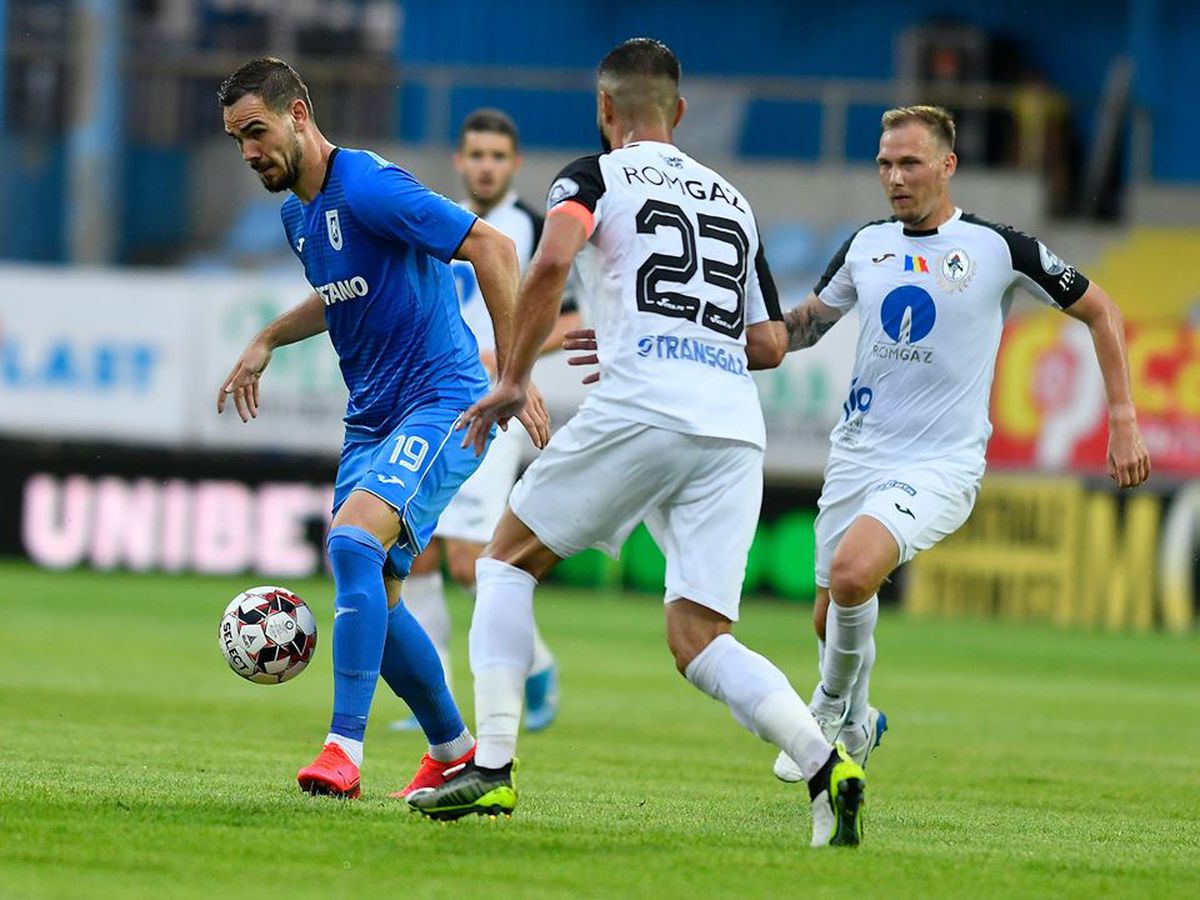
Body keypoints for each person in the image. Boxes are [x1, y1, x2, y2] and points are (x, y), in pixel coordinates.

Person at [407, 38, 867, 848]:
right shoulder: (732, 196)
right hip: (730, 428)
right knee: (699, 638)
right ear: (679, 113)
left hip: (645, 408)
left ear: (604, 110)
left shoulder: (593, 173)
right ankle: (827, 765)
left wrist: (515, 373)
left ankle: (495, 767)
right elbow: (764, 342)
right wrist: (647, 330)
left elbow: (552, 259)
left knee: (504, 562)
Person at [770, 105, 1150, 782]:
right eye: (885, 163)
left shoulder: (996, 248)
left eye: (910, 163)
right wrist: (733, 339)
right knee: (830, 613)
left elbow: (1101, 309)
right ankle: (860, 720)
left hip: (939, 461)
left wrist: (1122, 415)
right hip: (857, 453)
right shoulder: (867, 244)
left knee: (857, 573)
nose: (895, 177)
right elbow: (806, 327)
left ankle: (827, 709)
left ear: (947, 165)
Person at [215, 58, 550, 800]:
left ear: (299, 114)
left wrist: (513, 376)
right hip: (372, 416)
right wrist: (269, 336)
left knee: (351, 542)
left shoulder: (366, 184)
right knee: (380, 591)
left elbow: (492, 248)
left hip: (444, 400)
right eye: (238, 140)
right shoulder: (297, 214)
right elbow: (340, 296)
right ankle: (457, 751)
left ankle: (343, 750)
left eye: (258, 132)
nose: (249, 153)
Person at [392, 109, 581, 734]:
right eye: (476, 154)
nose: (485, 165)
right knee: (413, 553)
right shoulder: (438, 218)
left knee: (473, 561)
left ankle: (540, 664)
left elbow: (574, 321)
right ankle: (434, 694)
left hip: (494, 407)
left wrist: (505, 359)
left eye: (497, 156)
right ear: (459, 158)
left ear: (515, 164)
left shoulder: (533, 228)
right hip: (431, 402)